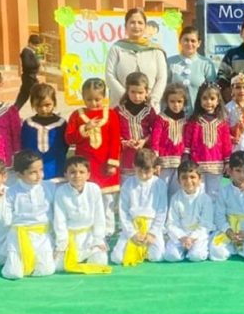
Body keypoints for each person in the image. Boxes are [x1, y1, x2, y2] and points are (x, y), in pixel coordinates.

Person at [65, 78, 121, 236]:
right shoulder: (77, 116)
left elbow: (115, 140)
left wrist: (112, 163)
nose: (93, 103)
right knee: (88, 199)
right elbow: (69, 139)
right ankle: (90, 230)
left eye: (97, 99)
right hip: (86, 166)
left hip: (105, 165)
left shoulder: (110, 114)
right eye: (89, 99)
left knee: (107, 200)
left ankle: (108, 232)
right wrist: (85, 128)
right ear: (83, 97)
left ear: (104, 97)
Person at [1, 150, 56, 280]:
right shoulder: (11, 192)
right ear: (19, 174)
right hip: (19, 236)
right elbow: (5, 220)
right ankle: (8, 254)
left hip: (43, 236)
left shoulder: (50, 187)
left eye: (41, 170)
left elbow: (56, 215)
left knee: (47, 270)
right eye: (33, 172)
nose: (39, 175)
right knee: (14, 273)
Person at [53, 156, 111, 274]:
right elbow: (60, 220)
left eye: (81, 172)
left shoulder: (94, 189)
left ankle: (87, 257)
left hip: (89, 236)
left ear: (88, 175)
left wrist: (98, 240)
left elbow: (99, 217)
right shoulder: (61, 192)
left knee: (101, 261)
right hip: (70, 238)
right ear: (66, 175)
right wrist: (61, 245)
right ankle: (75, 257)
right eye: (72, 172)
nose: (77, 175)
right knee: (57, 266)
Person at [111, 149, 167, 266]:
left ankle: (145, 248)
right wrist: (132, 233)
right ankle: (137, 246)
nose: (143, 175)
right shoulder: (128, 184)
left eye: (147, 171)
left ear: (155, 168)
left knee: (157, 256)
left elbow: (162, 211)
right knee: (116, 258)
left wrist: (152, 233)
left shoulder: (160, 185)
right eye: (139, 171)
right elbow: (123, 211)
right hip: (133, 225)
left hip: (151, 226)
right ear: (133, 166)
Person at [105, 7, 168, 110]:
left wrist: (153, 98)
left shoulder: (155, 50)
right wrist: (126, 96)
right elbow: (109, 75)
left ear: (145, 26)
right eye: (132, 22)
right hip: (121, 106)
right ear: (126, 26)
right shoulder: (117, 48)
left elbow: (162, 78)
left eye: (140, 23)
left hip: (149, 107)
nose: (136, 26)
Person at [183, 81, 232, 201]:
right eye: (204, 98)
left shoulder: (222, 122)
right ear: (199, 100)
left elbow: (226, 144)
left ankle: (213, 218)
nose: (208, 102)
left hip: (217, 166)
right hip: (197, 164)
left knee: (215, 194)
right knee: (198, 194)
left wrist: (227, 162)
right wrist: (186, 158)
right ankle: (200, 218)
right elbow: (187, 141)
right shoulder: (194, 121)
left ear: (218, 101)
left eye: (212, 98)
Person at [209, 151, 244, 262]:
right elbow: (219, 215)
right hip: (230, 228)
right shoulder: (224, 191)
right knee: (216, 252)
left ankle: (240, 246)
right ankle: (232, 245)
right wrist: (229, 232)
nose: (242, 175)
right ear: (230, 171)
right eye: (238, 171)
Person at [164, 160, 214, 262]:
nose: (188, 181)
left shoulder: (205, 199)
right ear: (178, 181)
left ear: (200, 179)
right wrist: (182, 237)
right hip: (180, 236)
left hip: (198, 236)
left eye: (192, 177)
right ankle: (183, 250)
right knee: (171, 256)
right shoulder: (175, 198)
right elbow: (172, 223)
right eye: (184, 177)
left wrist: (192, 238)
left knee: (196, 256)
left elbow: (206, 224)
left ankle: (196, 249)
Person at [20, 83, 68, 181]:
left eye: (47, 105)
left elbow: (65, 145)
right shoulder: (28, 123)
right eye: (38, 105)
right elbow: (24, 146)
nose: (43, 109)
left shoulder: (61, 123)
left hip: (56, 168)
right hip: (33, 171)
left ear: (54, 103)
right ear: (32, 104)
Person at [115, 72, 158, 181]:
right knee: (128, 185)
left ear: (146, 92)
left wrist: (144, 141)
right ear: (127, 91)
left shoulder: (149, 110)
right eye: (133, 92)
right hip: (126, 156)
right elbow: (114, 132)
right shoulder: (118, 110)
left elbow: (156, 131)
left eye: (140, 92)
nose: (136, 96)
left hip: (145, 155)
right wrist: (124, 142)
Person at [166, 26, 216, 116]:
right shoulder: (170, 62)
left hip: (199, 116)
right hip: (173, 115)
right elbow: (164, 88)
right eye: (186, 40)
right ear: (180, 41)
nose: (189, 44)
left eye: (193, 41)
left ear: (199, 43)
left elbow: (212, 91)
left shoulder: (206, 64)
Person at [151, 82, 188, 197]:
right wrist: (156, 162)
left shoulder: (187, 120)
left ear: (184, 102)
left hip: (180, 163)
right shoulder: (161, 119)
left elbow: (188, 141)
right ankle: (161, 215)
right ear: (166, 101)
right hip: (163, 164)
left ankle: (173, 214)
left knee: (177, 193)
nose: (176, 105)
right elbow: (155, 141)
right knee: (161, 191)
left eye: (179, 101)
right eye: (172, 101)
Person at [14, 34, 43, 111]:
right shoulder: (26, 51)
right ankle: (45, 109)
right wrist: (38, 63)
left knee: (23, 96)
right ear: (30, 43)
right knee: (39, 94)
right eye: (35, 45)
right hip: (29, 77)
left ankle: (13, 111)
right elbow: (27, 64)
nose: (36, 47)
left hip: (30, 77)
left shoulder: (30, 51)